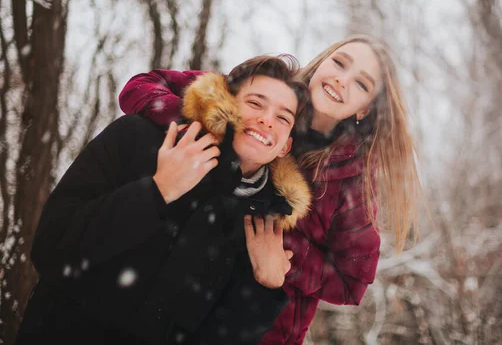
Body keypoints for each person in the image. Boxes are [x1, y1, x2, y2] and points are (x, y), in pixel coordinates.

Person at [118, 34, 422, 344]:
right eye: (340, 63)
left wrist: (283, 253)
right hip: (175, 297)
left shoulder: (353, 180)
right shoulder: (262, 94)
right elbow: (141, 86)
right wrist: (206, 126)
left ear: (365, 110)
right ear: (321, 63)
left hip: (258, 330)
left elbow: (352, 283)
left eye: (362, 84)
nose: (343, 80)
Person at [15, 55, 312, 345]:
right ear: (227, 105)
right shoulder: (136, 137)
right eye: (255, 103)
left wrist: (265, 287)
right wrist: (158, 191)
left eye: (283, 117)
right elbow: (51, 247)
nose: (266, 119)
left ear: (285, 146)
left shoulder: (264, 223)